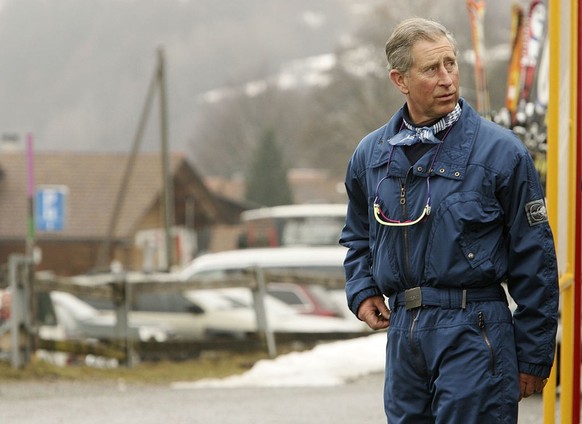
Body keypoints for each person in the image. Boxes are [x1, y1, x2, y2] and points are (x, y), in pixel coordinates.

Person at [339, 17, 559, 424]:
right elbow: (357, 235)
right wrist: (363, 287)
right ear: (400, 80)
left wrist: (534, 353)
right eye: (431, 69)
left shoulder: (502, 154)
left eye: (451, 64)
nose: (447, 78)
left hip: (476, 331)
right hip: (404, 334)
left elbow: (536, 260)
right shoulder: (370, 156)